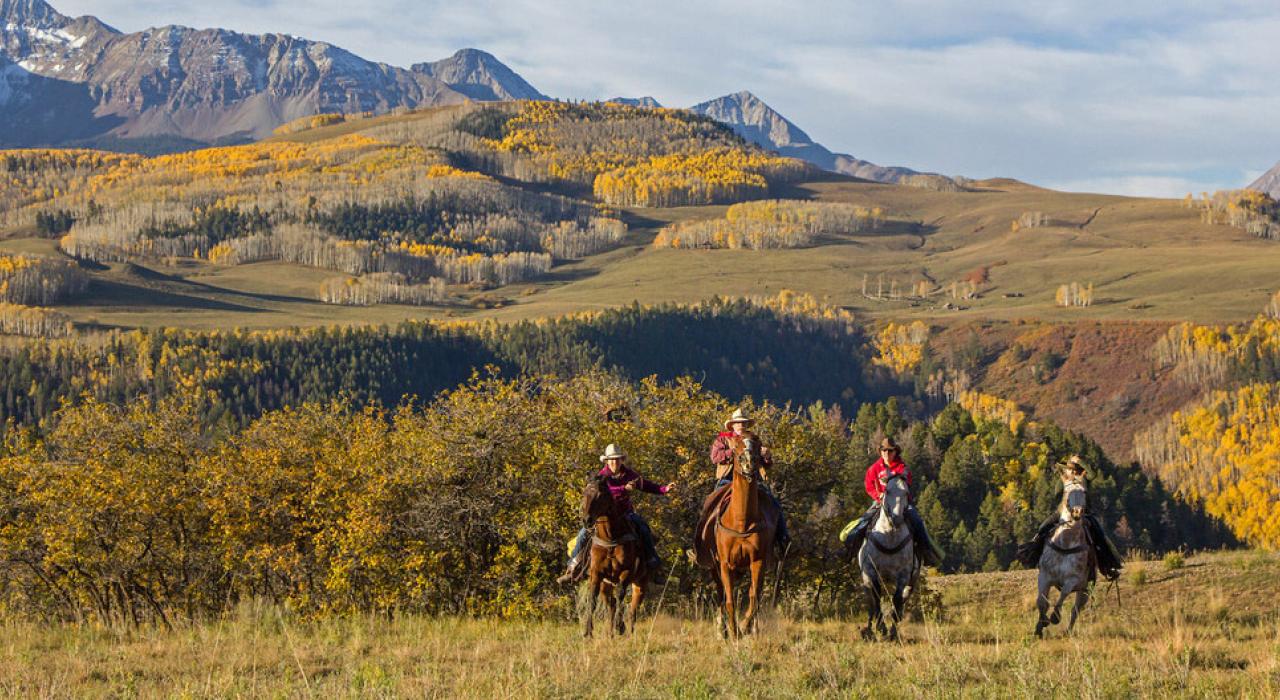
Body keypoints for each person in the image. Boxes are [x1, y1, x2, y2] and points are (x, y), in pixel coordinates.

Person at [556, 444, 675, 585]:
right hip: (603, 517)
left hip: (626, 513)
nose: (615, 462)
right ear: (607, 461)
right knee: (583, 534)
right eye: (612, 459)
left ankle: (653, 564)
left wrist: (664, 489)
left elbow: (646, 485)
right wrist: (623, 488)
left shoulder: (630, 474)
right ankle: (572, 568)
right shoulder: (601, 476)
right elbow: (604, 492)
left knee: (643, 528)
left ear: (621, 460)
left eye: (617, 459)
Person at [839, 437, 943, 567]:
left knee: (917, 522)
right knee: (862, 523)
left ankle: (927, 554)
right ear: (880, 452)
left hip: (902, 503)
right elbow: (869, 486)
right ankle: (849, 551)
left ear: (895, 452)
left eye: (890, 451)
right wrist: (879, 495)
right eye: (884, 450)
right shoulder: (874, 469)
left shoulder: (902, 468)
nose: (887, 453)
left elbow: (907, 485)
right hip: (879, 502)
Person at [1016, 455, 1124, 580]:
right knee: (1042, 529)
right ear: (1066, 470)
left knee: (1100, 535)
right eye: (1069, 469)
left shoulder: (1084, 479)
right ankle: (1035, 558)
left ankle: (1108, 566)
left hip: (1085, 514)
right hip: (1061, 512)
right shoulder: (1062, 481)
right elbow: (1056, 495)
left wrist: (1080, 461)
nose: (1072, 471)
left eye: (1074, 469)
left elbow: (1092, 474)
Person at [709, 408, 790, 549]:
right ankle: (704, 543)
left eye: (744, 423)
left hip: (752, 481)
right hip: (727, 480)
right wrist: (732, 451)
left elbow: (766, 464)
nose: (741, 426)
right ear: (732, 425)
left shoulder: (754, 440)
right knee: (710, 505)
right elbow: (715, 457)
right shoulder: (723, 438)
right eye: (738, 423)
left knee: (774, 504)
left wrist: (767, 457)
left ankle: (782, 540)